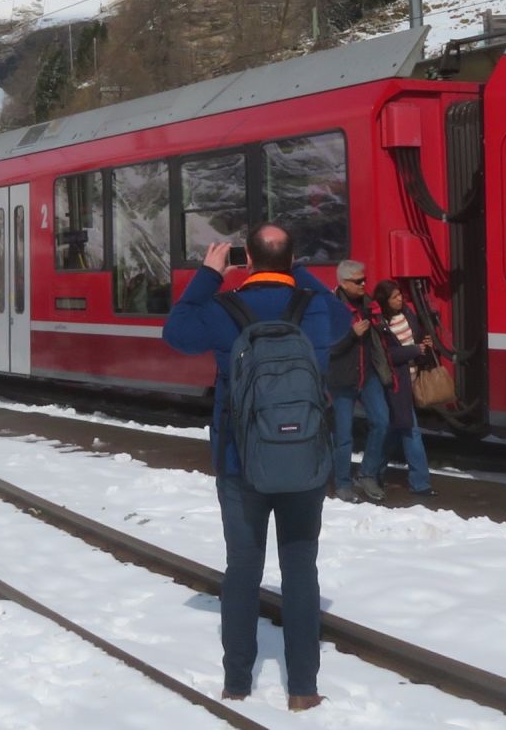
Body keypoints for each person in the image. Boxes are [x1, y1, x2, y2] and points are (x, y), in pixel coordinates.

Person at [163, 223, 349, 714]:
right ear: (292, 260)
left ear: (245, 259)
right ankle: (303, 690)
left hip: (239, 461)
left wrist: (208, 274)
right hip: (305, 461)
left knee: (243, 570)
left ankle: (237, 684)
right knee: (300, 568)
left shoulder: (223, 311)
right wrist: (296, 270)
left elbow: (176, 331)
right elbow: (347, 319)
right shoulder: (315, 309)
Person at [361, 281, 436, 500]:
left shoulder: (407, 313)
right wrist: (413, 350)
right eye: (395, 297)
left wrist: (424, 343)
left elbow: (416, 335)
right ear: (385, 301)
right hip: (396, 383)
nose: (400, 300)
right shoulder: (380, 323)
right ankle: (420, 483)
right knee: (410, 430)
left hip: (410, 379)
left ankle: (374, 472)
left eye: (400, 295)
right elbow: (387, 356)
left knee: (394, 431)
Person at [326, 260, 391, 503]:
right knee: (343, 435)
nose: (364, 284)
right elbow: (327, 348)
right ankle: (342, 483)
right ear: (343, 283)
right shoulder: (331, 307)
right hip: (342, 379)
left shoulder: (369, 304)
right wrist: (352, 335)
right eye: (358, 281)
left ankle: (367, 474)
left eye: (364, 279)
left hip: (368, 375)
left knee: (382, 422)